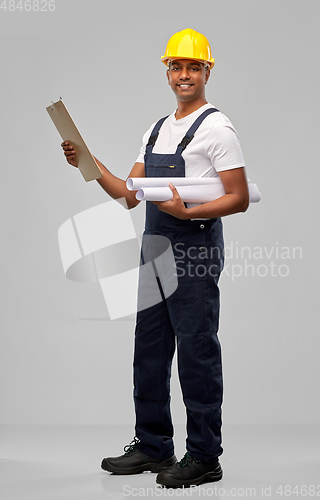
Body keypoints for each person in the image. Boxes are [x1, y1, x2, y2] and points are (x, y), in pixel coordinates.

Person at [61, 28, 249, 488]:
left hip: (195, 249)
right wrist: (87, 160)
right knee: (149, 348)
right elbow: (129, 195)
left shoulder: (218, 128)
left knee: (197, 352)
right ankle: (152, 445)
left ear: (208, 71)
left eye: (193, 67)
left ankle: (204, 455)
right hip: (155, 249)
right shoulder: (157, 129)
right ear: (167, 71)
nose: (184, 75)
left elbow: (239, 197)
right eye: (176, 67)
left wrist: (191, 210)